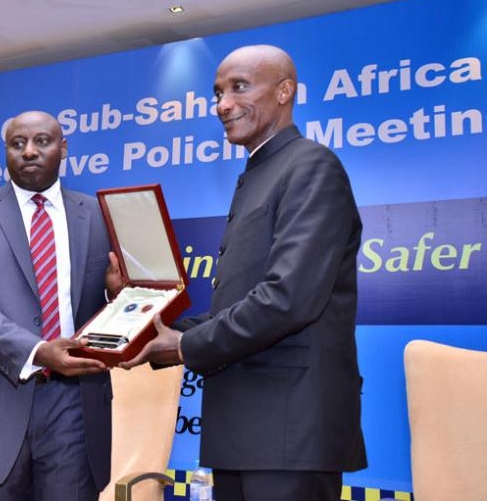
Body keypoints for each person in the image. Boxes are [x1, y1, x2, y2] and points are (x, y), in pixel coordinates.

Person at [120, 45, 367, 500]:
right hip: (244, 426)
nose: (223, 105)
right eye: (217, 93)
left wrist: (185, 345)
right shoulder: (260, 173)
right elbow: (236, 309)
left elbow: (288, 299)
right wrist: (152, 327)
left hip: (290, 429)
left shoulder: (311, 166)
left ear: (284, 91)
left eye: (239, 87)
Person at [0, 110, 122, 500]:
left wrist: (116, 295)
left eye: (42, 141)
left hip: (74, 401)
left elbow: (111, 305)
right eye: (17, 143)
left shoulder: (97, 214)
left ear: (63, 148)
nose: (29, 151)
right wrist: (37, 351)